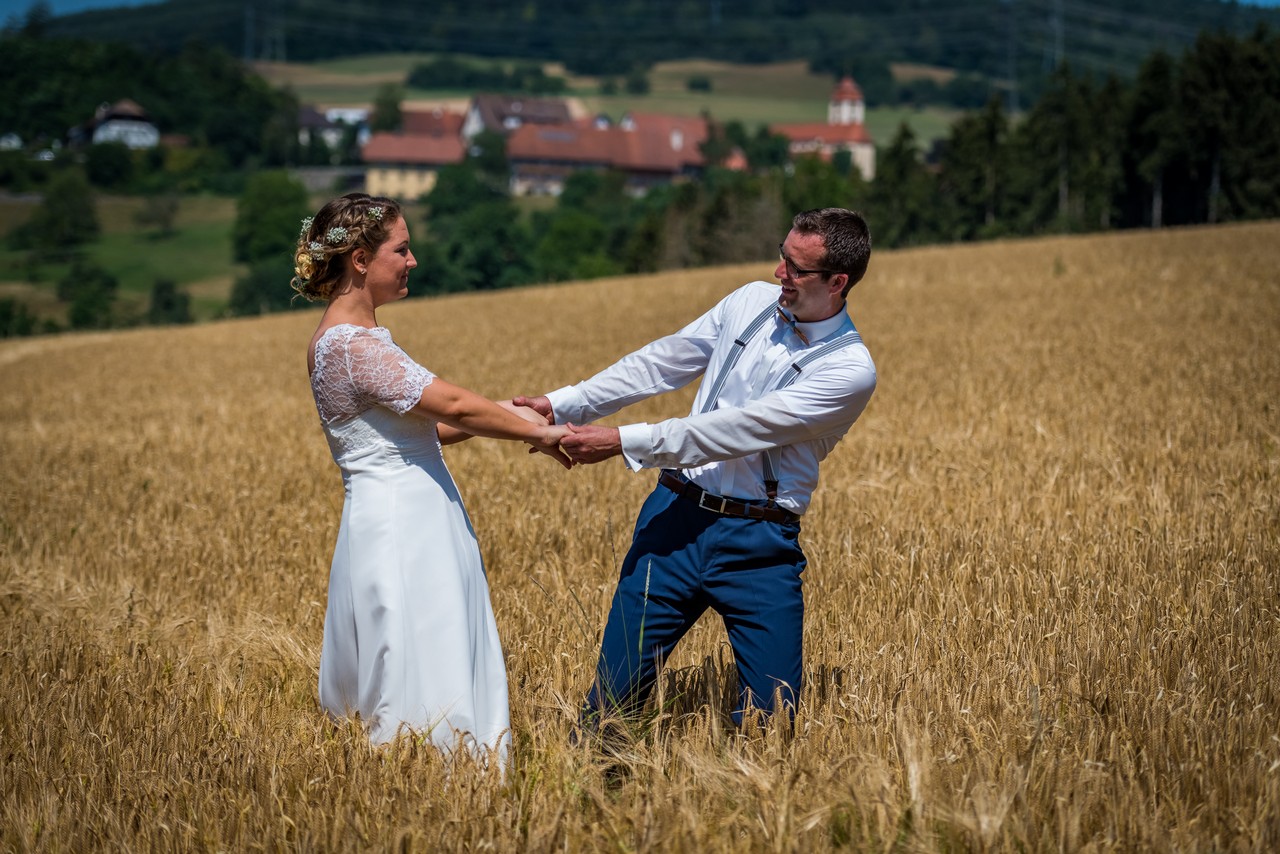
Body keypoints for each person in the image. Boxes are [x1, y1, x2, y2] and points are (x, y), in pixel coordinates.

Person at [515, 207, 876, 732]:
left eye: (797, 269)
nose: (780, 273)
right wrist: (563, 404)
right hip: (674, 520)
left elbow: (734, 430)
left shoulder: (849, 370)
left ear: (837, 282)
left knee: (770, 722)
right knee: (609, 709)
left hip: (758, 544)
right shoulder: (749, 300)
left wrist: (622, 441)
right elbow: (662, 361)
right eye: (782, 256)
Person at [294, 192, 569, 755]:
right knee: (423, 654)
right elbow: (456, 405)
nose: (413, 260)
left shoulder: (347, 341)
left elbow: (428, 429)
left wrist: (516, 415)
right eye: (402, 249)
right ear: (361, 260)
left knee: (418, 649)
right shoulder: (353, 347)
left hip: (398, 516)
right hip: (405, 525)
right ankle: (441, 770)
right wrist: (540, 434)